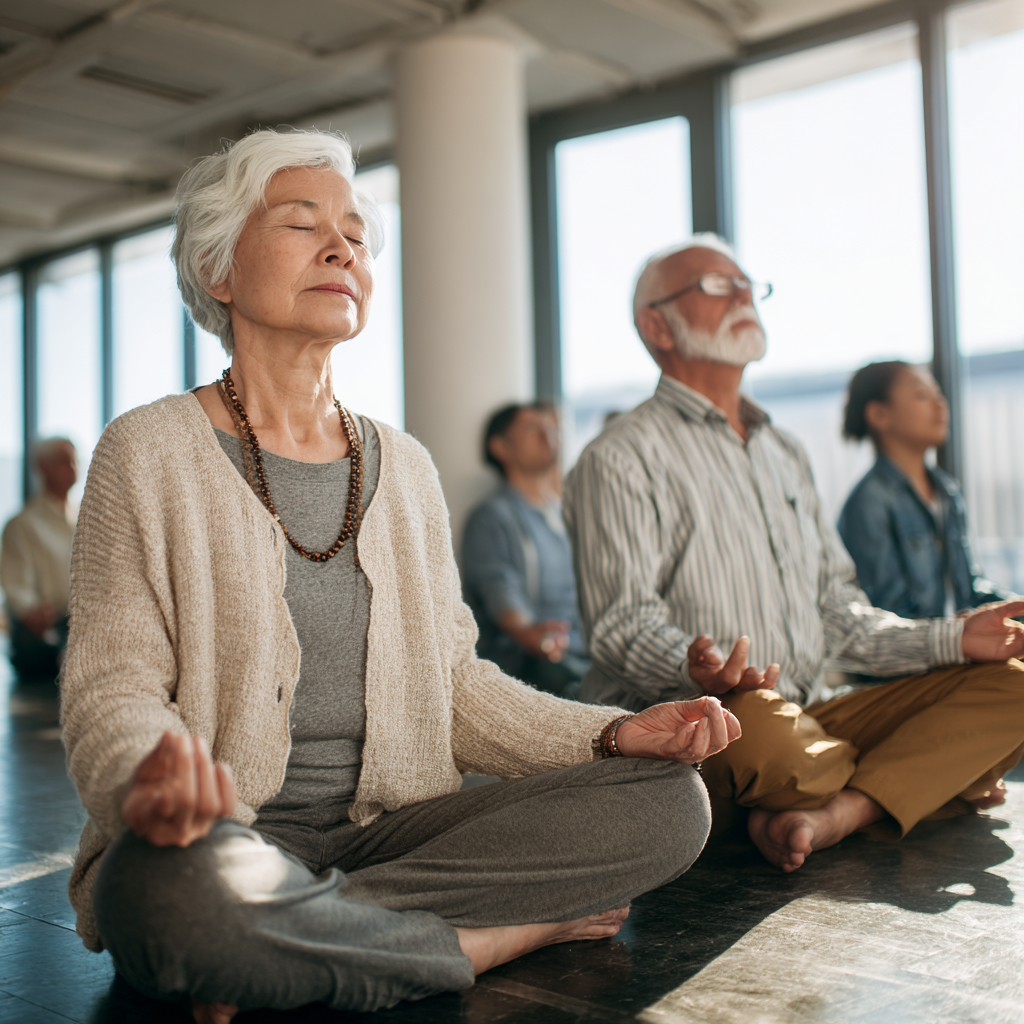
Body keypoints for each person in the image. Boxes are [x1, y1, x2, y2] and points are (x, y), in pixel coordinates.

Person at [60, 130, 741, 1024]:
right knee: (161, 895)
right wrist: (148, 774)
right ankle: (489, 940)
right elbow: (111, 687)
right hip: (224, 838)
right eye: (304, 226)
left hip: (397, 833)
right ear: (219, 272)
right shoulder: (146, 451)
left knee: (670, 802)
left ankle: (272, 945)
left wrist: (618, 736)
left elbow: (455, 690)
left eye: (354, 232)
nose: (343, 248)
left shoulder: (406, 467)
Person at [563, 234, 1024, 877]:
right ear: (656, 325)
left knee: (1014, 684)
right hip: (721, 716)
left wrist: (953, 638)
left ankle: (840, 810)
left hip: (819, 709)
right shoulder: (618, 456)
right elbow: (621, 627)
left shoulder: (785, 451)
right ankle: (922, 781)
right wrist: (698, 671)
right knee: (766, 736)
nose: (745, 294)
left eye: (750, 284)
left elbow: (840, 612)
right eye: (719, 286)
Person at [837, 360, 1007, 618]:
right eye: (922, 395)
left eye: (938, 393)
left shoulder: (946, 490)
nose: (940, 404)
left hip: (962, 651)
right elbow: (887, 614)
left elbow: (970, 589)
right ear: (879, 415)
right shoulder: (868, 503)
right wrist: (957, 638)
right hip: (925, 655)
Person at [462, 402, 588, 699]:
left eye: (552, 429)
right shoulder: (492, 518)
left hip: (582, 655)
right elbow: (499, 590)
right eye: (533, 429)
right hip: (534, 669)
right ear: (500, 447)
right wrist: (527, 631)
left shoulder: (565, 514)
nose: (548, 437)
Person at [1, 437, 78, 679]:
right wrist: (32, 611)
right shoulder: (21, 525)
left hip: (85, 622)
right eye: (65, 461)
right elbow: (17, 588)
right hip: (50, 628)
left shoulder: (86, 518)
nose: (73, 468)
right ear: (43, 467)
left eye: (74, 461)